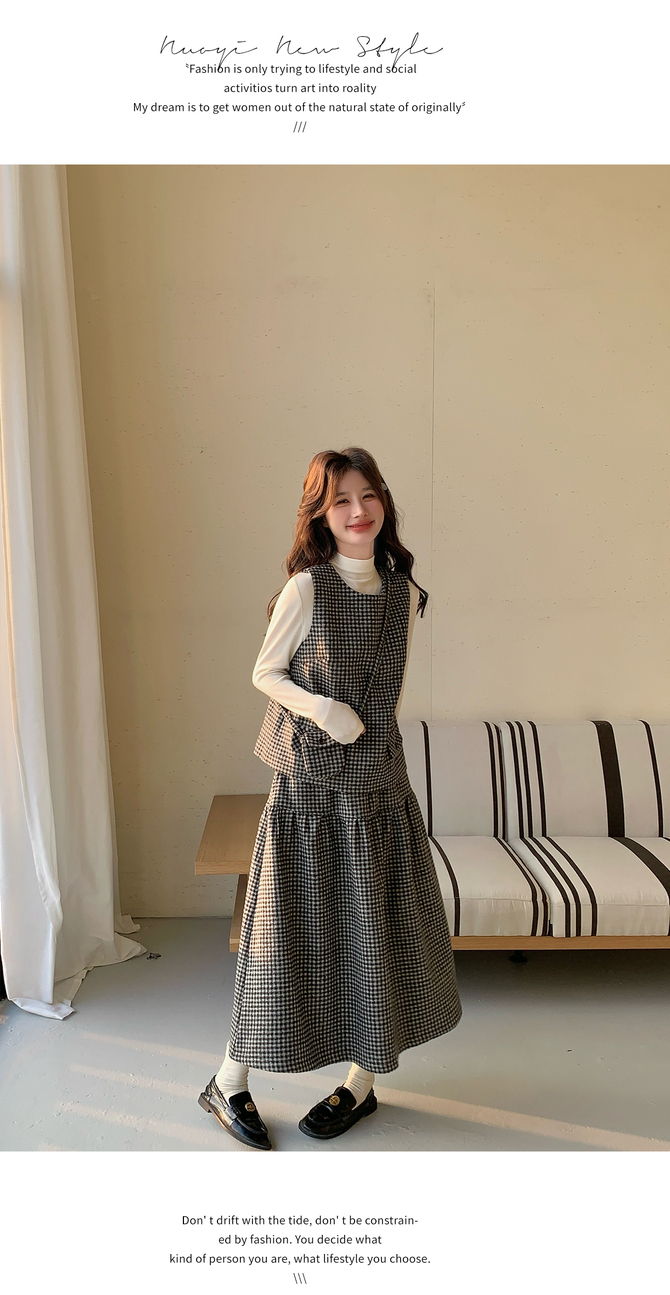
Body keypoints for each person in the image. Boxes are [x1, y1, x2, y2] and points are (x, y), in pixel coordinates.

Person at [199, 447, 461, 1149]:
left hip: (378, 787)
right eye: (341, 499)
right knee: (282, 935)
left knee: (377, 932)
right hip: (309, 790)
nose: (358, 510)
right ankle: (227, 1079)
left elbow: (387, 688)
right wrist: (322, 709)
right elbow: (265, 672)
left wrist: (365, 730)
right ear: (321, 513)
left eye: (368, 495)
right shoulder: (307, 588)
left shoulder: (404, 593)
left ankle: (361, 1082)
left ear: (384, 503)